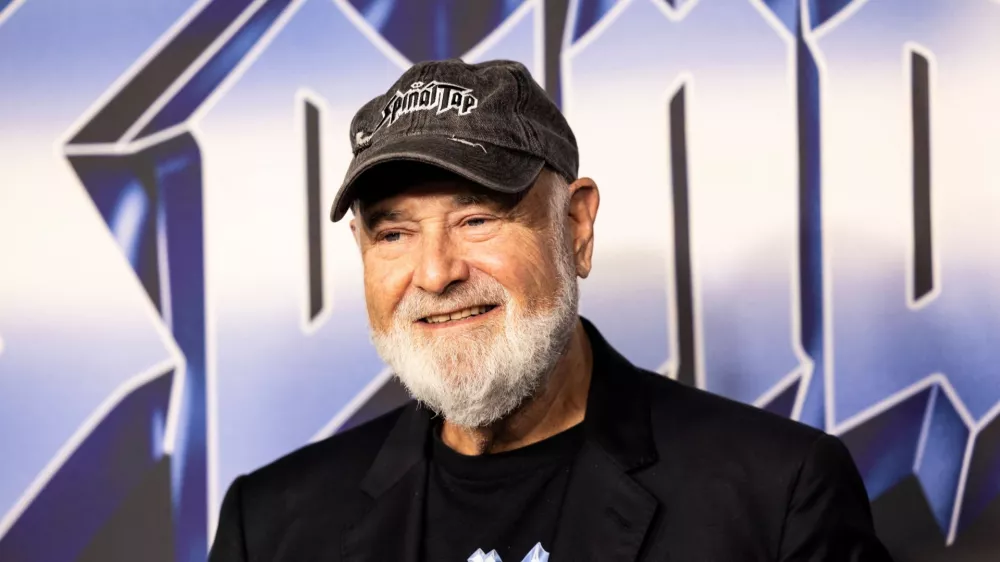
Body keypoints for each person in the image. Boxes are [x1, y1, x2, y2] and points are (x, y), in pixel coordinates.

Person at [209, 59, 892, 562]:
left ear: (577, 227)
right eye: (394, 233)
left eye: (477, 218)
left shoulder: (777, 498)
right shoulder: (270, 528)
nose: (437, 271)